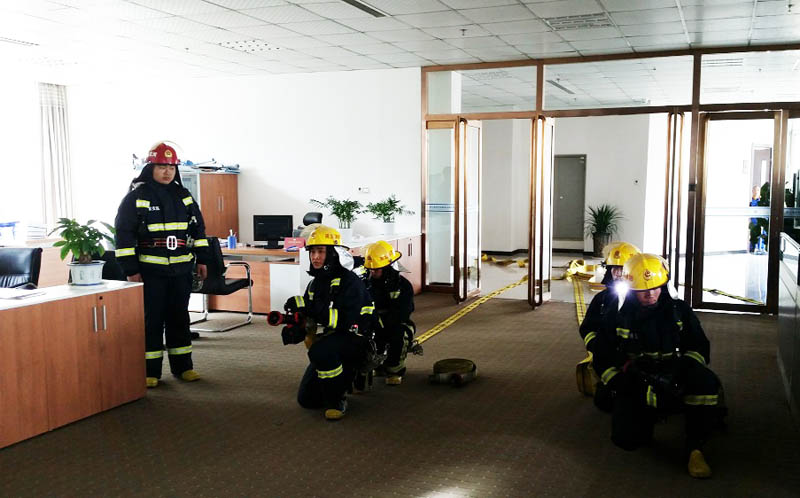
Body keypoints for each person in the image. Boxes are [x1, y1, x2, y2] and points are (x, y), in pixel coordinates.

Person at [591, 253, 724, 479]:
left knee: (705, 384)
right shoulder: (617, 313)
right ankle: (646, 416)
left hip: (675, 375)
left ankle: (695, 448)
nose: (650, 294)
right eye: (643, 290)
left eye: (656, 288)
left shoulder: (679, 311)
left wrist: (683, 370)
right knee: (626, 440)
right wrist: (619, 381)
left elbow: (700, 346)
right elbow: (602, 354)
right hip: (635, 381)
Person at [114, 142, 210, 388]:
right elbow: (124, 236)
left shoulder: (184, 196)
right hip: (150, 272)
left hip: (181, 270)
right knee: (152, 321)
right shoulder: (137, 197)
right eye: (161, 167)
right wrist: (130, 270)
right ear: (150, 168)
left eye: (171, 168)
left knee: (179, 318)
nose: (167, 172)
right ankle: (150, 372)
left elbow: (199, 229)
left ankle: (183, 367)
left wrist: (203, 259)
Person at [282, 225, 374, 421]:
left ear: (333, 253)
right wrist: (296, 328)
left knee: (320, 351)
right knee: (307, 400)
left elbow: (344, 321)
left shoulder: (350, 282)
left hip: (355, 338)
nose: (315, 257)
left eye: (321, 251)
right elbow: (311, 317)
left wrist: (310, 308)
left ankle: (337, 400)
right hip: (332, 338)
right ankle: (341, 378)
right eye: (312, 252)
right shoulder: (315, 283)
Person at [578, 241, 640, 407]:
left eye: (623, 269)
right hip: (609, 355)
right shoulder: (601, 299)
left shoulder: (644, 299)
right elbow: (588, 328)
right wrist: (596, 346)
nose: (618, 274)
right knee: (605, 400)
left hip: (638, 356)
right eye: (615, 268)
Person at [363, 240, 416, 386]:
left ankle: (395, 370)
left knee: (399, 334)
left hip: (395, 322)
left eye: (376, 270)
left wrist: (385, 322)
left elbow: (404, 311)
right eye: (371, 270)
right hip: (372, 322)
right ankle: (377, 365)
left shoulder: (402, 286)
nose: (373, 273)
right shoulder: (365, 284)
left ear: (387, 267)